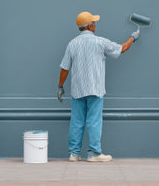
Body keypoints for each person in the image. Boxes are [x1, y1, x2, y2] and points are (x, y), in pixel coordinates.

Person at [57, 11, 139, 162]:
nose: (95, 24)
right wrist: (132, 38)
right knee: (94, 120)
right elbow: (122, 48)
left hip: (78, 90)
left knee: (77, 121)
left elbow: (64, 68)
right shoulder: (100, 42)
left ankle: (74, 154)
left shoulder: (72, 44)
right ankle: (94, 153)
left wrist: (60, 87)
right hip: (95, 89)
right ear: (89, 25)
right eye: (94, 22)